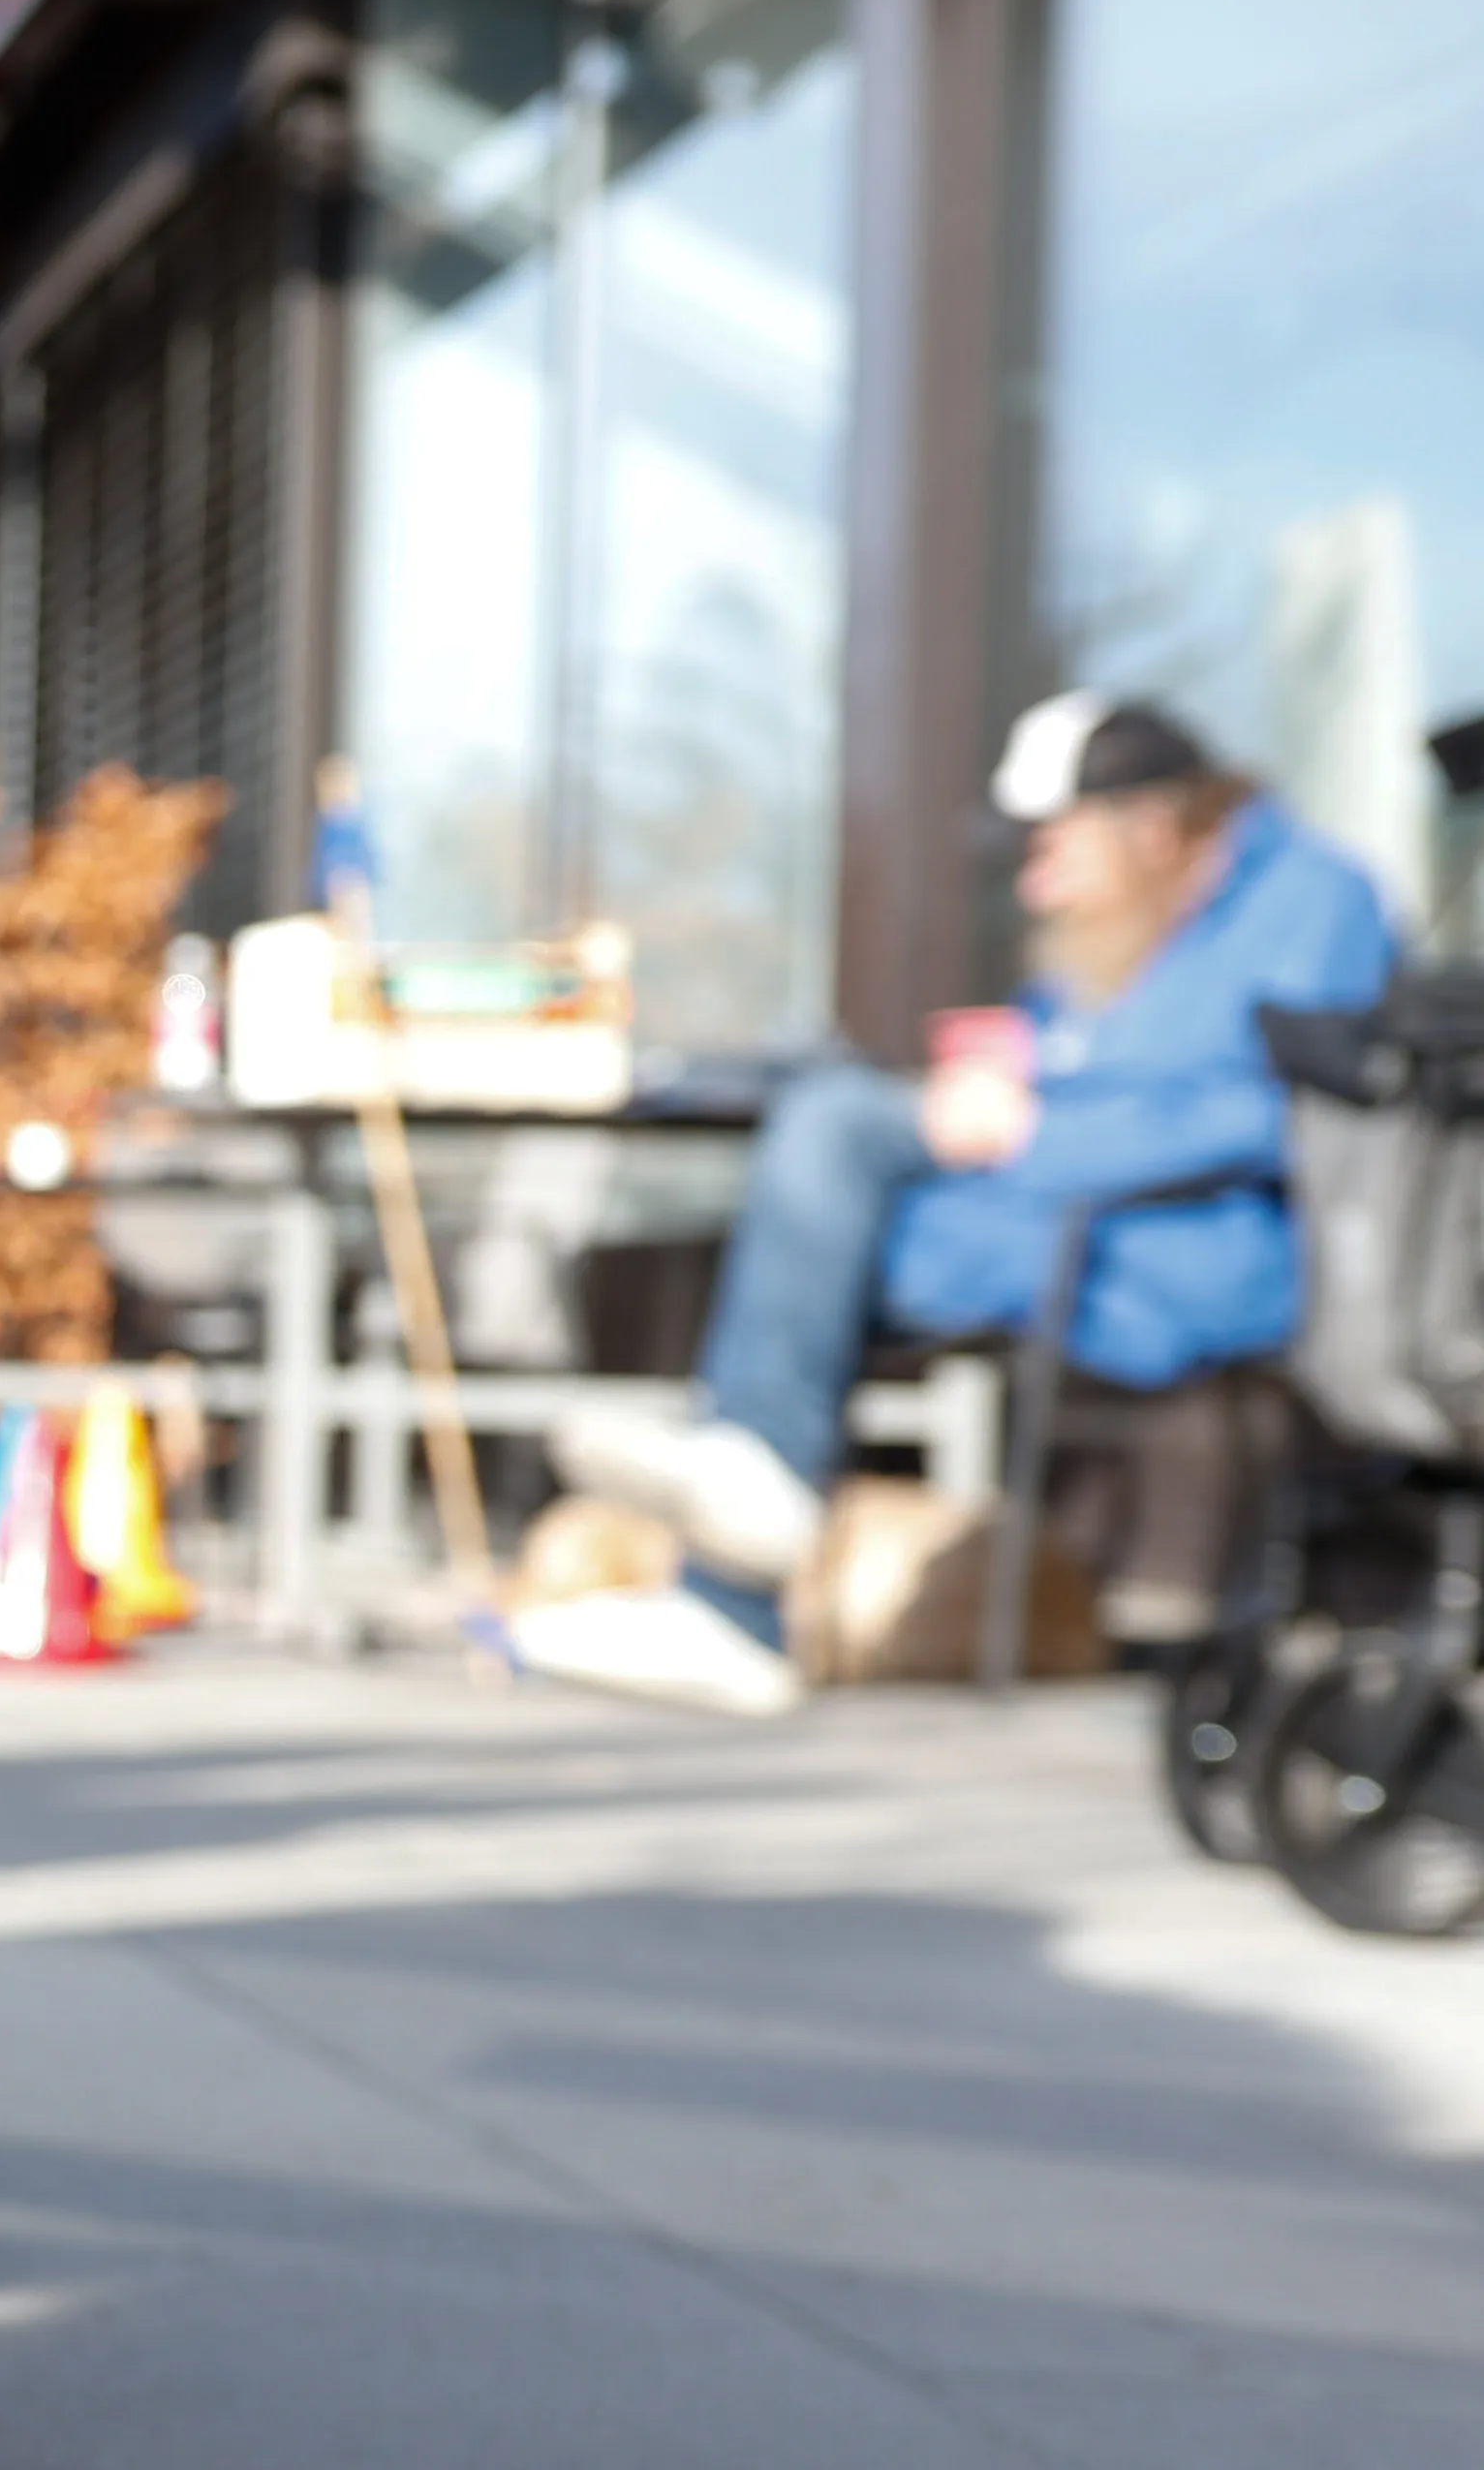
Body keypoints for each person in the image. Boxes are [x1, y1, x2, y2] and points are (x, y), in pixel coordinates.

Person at [528, 693, 1399, 1715]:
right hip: (1051, 1217)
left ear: (1153, 831)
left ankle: (742, 1564)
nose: (1035, 880)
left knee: (828, 1173)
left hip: (1191, 1250)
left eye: (1052, 845)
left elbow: (1295, 1117)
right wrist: (983, 1086)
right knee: (828, 1141)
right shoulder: (1121, 933)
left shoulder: (1316, 903)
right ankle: (745, 1523)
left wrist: (1037, 1132)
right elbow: (1055, 1053)